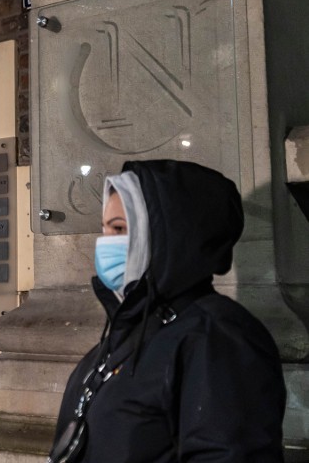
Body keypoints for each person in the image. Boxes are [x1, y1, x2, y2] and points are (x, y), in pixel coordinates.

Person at [48, 159, 286, 463]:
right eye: (105, 229)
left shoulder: (218, 336)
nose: (105, 243)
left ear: (169, 234)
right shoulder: (126, 335)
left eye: (119, 228)